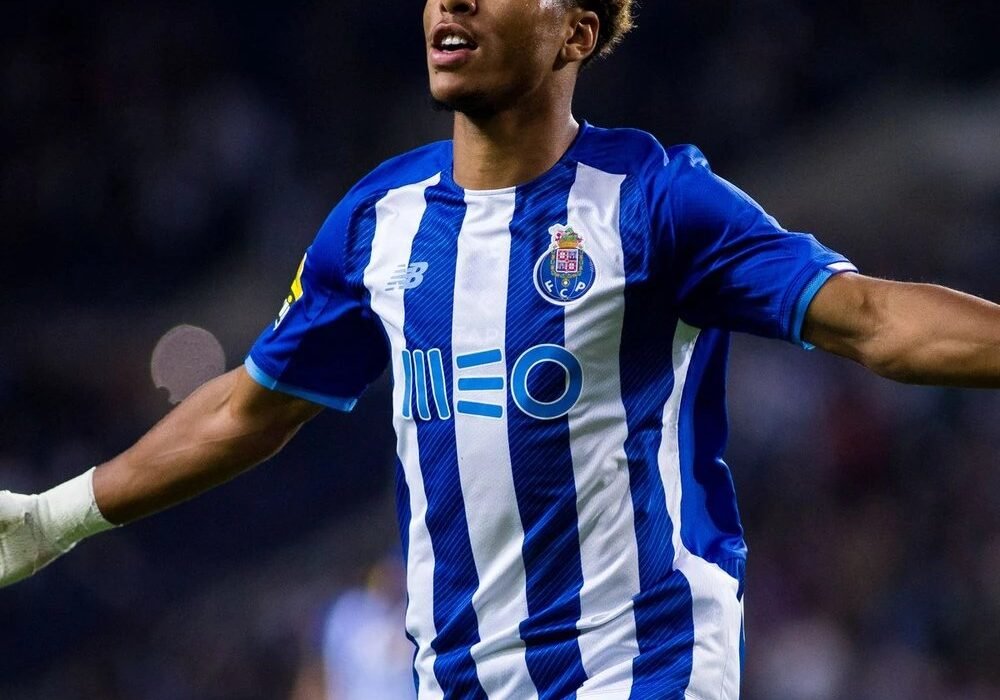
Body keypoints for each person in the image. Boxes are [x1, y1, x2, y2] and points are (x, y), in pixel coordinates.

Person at [1, 0, 998, 697]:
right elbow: (246, 410)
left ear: (576, 32)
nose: (454, 2)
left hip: (643, 669)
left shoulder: (654, 200)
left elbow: (870, 318)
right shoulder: (378, 222)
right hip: (458, 680)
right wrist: (55, 517)